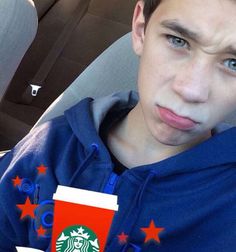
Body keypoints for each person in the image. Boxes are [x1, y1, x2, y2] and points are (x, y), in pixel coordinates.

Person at [1, 0, 236, 251]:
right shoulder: (49, 148)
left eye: (233, 63)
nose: (191, 90)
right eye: (177, 40)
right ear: (141, 29)